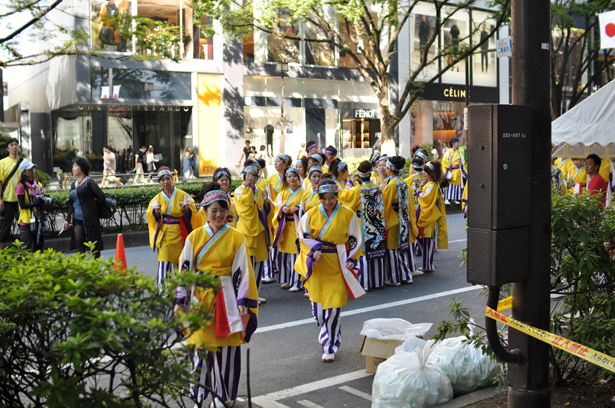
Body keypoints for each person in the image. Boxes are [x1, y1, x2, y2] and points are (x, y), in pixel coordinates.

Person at [175, 182, 258, 407]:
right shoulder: (194, 237)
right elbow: (185, 269)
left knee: (226, 350)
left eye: (223, 209)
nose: (219, 214)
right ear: (205, 211)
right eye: (214, 210)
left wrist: (243, 301)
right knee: (199, 349)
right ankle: (198, 397)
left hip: (227, 297)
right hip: (200, 298)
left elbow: (242, 271)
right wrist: (181, 301)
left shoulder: (236, 237)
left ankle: (223, 398)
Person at [295, 179, 364, 362]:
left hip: (338, 264)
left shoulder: (348, 214)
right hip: (317, 266)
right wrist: (312, 252)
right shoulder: (309, 215)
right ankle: (325, 330)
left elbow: (355, 238)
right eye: (324, 198)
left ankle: (330, 346)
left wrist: (352, 259)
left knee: (333, 310)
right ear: (319, 198)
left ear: (337, 196)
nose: (327, 202)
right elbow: (302, 237)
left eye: (331, 198)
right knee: (318, 310)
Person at [147, 167, 200, 287]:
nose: (165, 182)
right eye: (162, 180)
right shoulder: (157, 199)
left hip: (179, 232)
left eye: (168, 178)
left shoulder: (183, 195)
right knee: (164, 262)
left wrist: (187, 209)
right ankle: (163, 292)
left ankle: (181, 291)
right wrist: (156, 212)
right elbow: (151, 217)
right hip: (165, 233)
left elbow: (193, 213)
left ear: (173, 179)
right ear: (159, 182)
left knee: (180, 262)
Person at [234, 163, 271, 303]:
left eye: (254, 175)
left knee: (259, 265)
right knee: (247, 264)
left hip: (260, 230)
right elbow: (246, 207)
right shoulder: (239, 191)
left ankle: (256, 294)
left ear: (257, 177)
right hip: (247, 230)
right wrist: (250, 189)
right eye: (248, 175)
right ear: (244, 176)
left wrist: (266, 202)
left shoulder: (260, 189)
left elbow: (266, 209)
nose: (251, 178)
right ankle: (246, 295)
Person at [380, 156, 418, 285]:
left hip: (393, 222)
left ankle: (394, 278)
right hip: (403, 220)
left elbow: (385, 205)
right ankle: (407, 275)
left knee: (392, 250)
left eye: (386, 166)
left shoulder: (391, 185)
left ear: (390, 169)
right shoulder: (404, 183)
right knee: (401, 249)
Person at [352, 160, 387, 291]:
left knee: (364, 252)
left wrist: (352, 183)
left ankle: (365, 283)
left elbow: (345, 201)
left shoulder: (356, 189)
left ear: (359, 175)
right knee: (375, 248)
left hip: (363, 221)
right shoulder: (376, 187)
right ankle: (378, 281)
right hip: (377, 220)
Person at [63, 157, 106, 258]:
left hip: (90, 217)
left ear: (82, 168)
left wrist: (93, 208)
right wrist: (67, 219)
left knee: (93, 244)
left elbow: (101, 197)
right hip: (77, 218)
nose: (73, 168)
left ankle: (96, 267)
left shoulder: (89, 182)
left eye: (75, 166)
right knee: (79, 243)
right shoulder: (74, 184)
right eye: (72, 166)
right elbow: (71, 204)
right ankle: (82, 268)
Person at [273, 166, 303, 292]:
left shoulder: (303, 193)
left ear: (298, 178)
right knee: (285, 255)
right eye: (289, 176)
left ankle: (297, 282)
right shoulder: (282, 193)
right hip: (285, 226)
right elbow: (276, 206)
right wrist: (281, 209)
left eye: (294, 176)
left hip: (297, 225)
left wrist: (298, 208)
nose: (291, 178)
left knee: (296, 254)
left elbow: (307, 208)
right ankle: (287, 279)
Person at [417, 161, 448, 272]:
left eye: (426, 171)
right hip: (430, 216)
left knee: (426, 240)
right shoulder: (433, 184)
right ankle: (428, 264)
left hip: (428, 217)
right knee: (427, 241)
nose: (424, 173)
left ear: (432, 173)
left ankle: (427, 266)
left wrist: (419, 192)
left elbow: (425, 199)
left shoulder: (431, 185)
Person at [16, 160, 45, 251]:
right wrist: (37, 203)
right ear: (24, 172)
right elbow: (22, 205)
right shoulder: (20, 187)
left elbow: (43, 202)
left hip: (38, 219)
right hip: (25, 221)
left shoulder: (38, 185)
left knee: (39, 247)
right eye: (29, 169)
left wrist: (43, 215)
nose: (33, 171)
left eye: (33, 168)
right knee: (26, 247)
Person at [0, 137, 22, 249]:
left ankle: (25, 252)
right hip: (7, 200)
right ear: (7, 148)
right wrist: (0, 199)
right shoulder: (2, 162)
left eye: (16, 144)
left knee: (24, 227)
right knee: (4, 227)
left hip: (21, 201)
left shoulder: (23, 162)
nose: (14, 147)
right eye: (11, 145)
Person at [441, 137, 466, 205]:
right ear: (453, 143)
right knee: (451, 186)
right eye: (457, 143)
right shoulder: (448, 152)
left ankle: (453, 199)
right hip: (452, 171)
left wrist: (461, 164)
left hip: (458, 171)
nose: (458, 144)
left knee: (457, 186)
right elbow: (444, 161)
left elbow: (462, 160)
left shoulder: (458, 152)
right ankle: (447, 199)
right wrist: (451, 166)